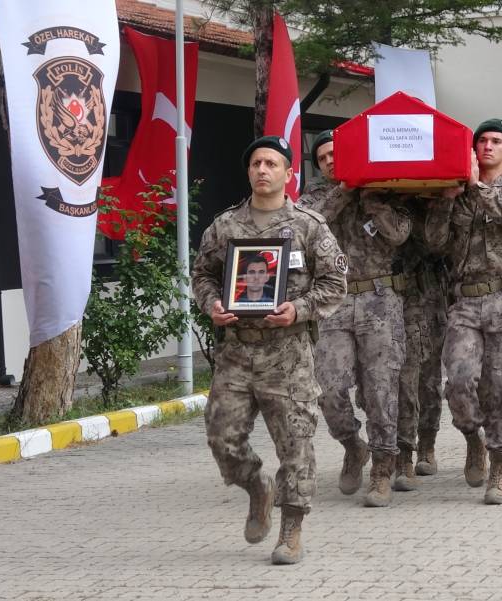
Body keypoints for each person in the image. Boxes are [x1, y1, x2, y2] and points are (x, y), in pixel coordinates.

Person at [191, 135, 346, 565]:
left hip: (288, 354)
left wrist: (298, 309)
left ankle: (291, 530)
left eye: (272, 164)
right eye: (256, 163)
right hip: (236, 353)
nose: (263, 170)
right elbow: (202, 275)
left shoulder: (309, 226)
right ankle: (258, 486)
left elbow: (335, 283)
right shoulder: (225, 226)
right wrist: (212, 304)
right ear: (248, 171)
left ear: (288, 173)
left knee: (296, 444)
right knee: (222, 438)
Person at [425, 118, 502, 505]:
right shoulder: (458, 193)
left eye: (496, 142)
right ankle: (473, 437)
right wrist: (447, 200)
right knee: (458, 380)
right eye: (482, 141)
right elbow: (435, 243)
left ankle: (501, 465)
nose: (488, 146)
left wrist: (478, 188)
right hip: (465, 301)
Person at [299, 129, 413, 508]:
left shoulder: (383, 191)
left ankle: (382, 466)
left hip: (380, 300)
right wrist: (345, 190)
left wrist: (370, 198)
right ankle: (353, 445)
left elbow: (399, 234)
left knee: (381, 387)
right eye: (323, 157)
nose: (330, 161)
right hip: (334, 301)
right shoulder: (313, 199)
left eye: (336, 154)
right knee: (328, 386)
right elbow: (309, 226)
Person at [393, 194, 448, 490]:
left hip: (429, 292)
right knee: (400, 380)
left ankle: (427, 443)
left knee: (428, 378)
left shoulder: (434, 201)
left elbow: (439, 245)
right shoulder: (382, 200)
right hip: (393, 296)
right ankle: (400, 451)